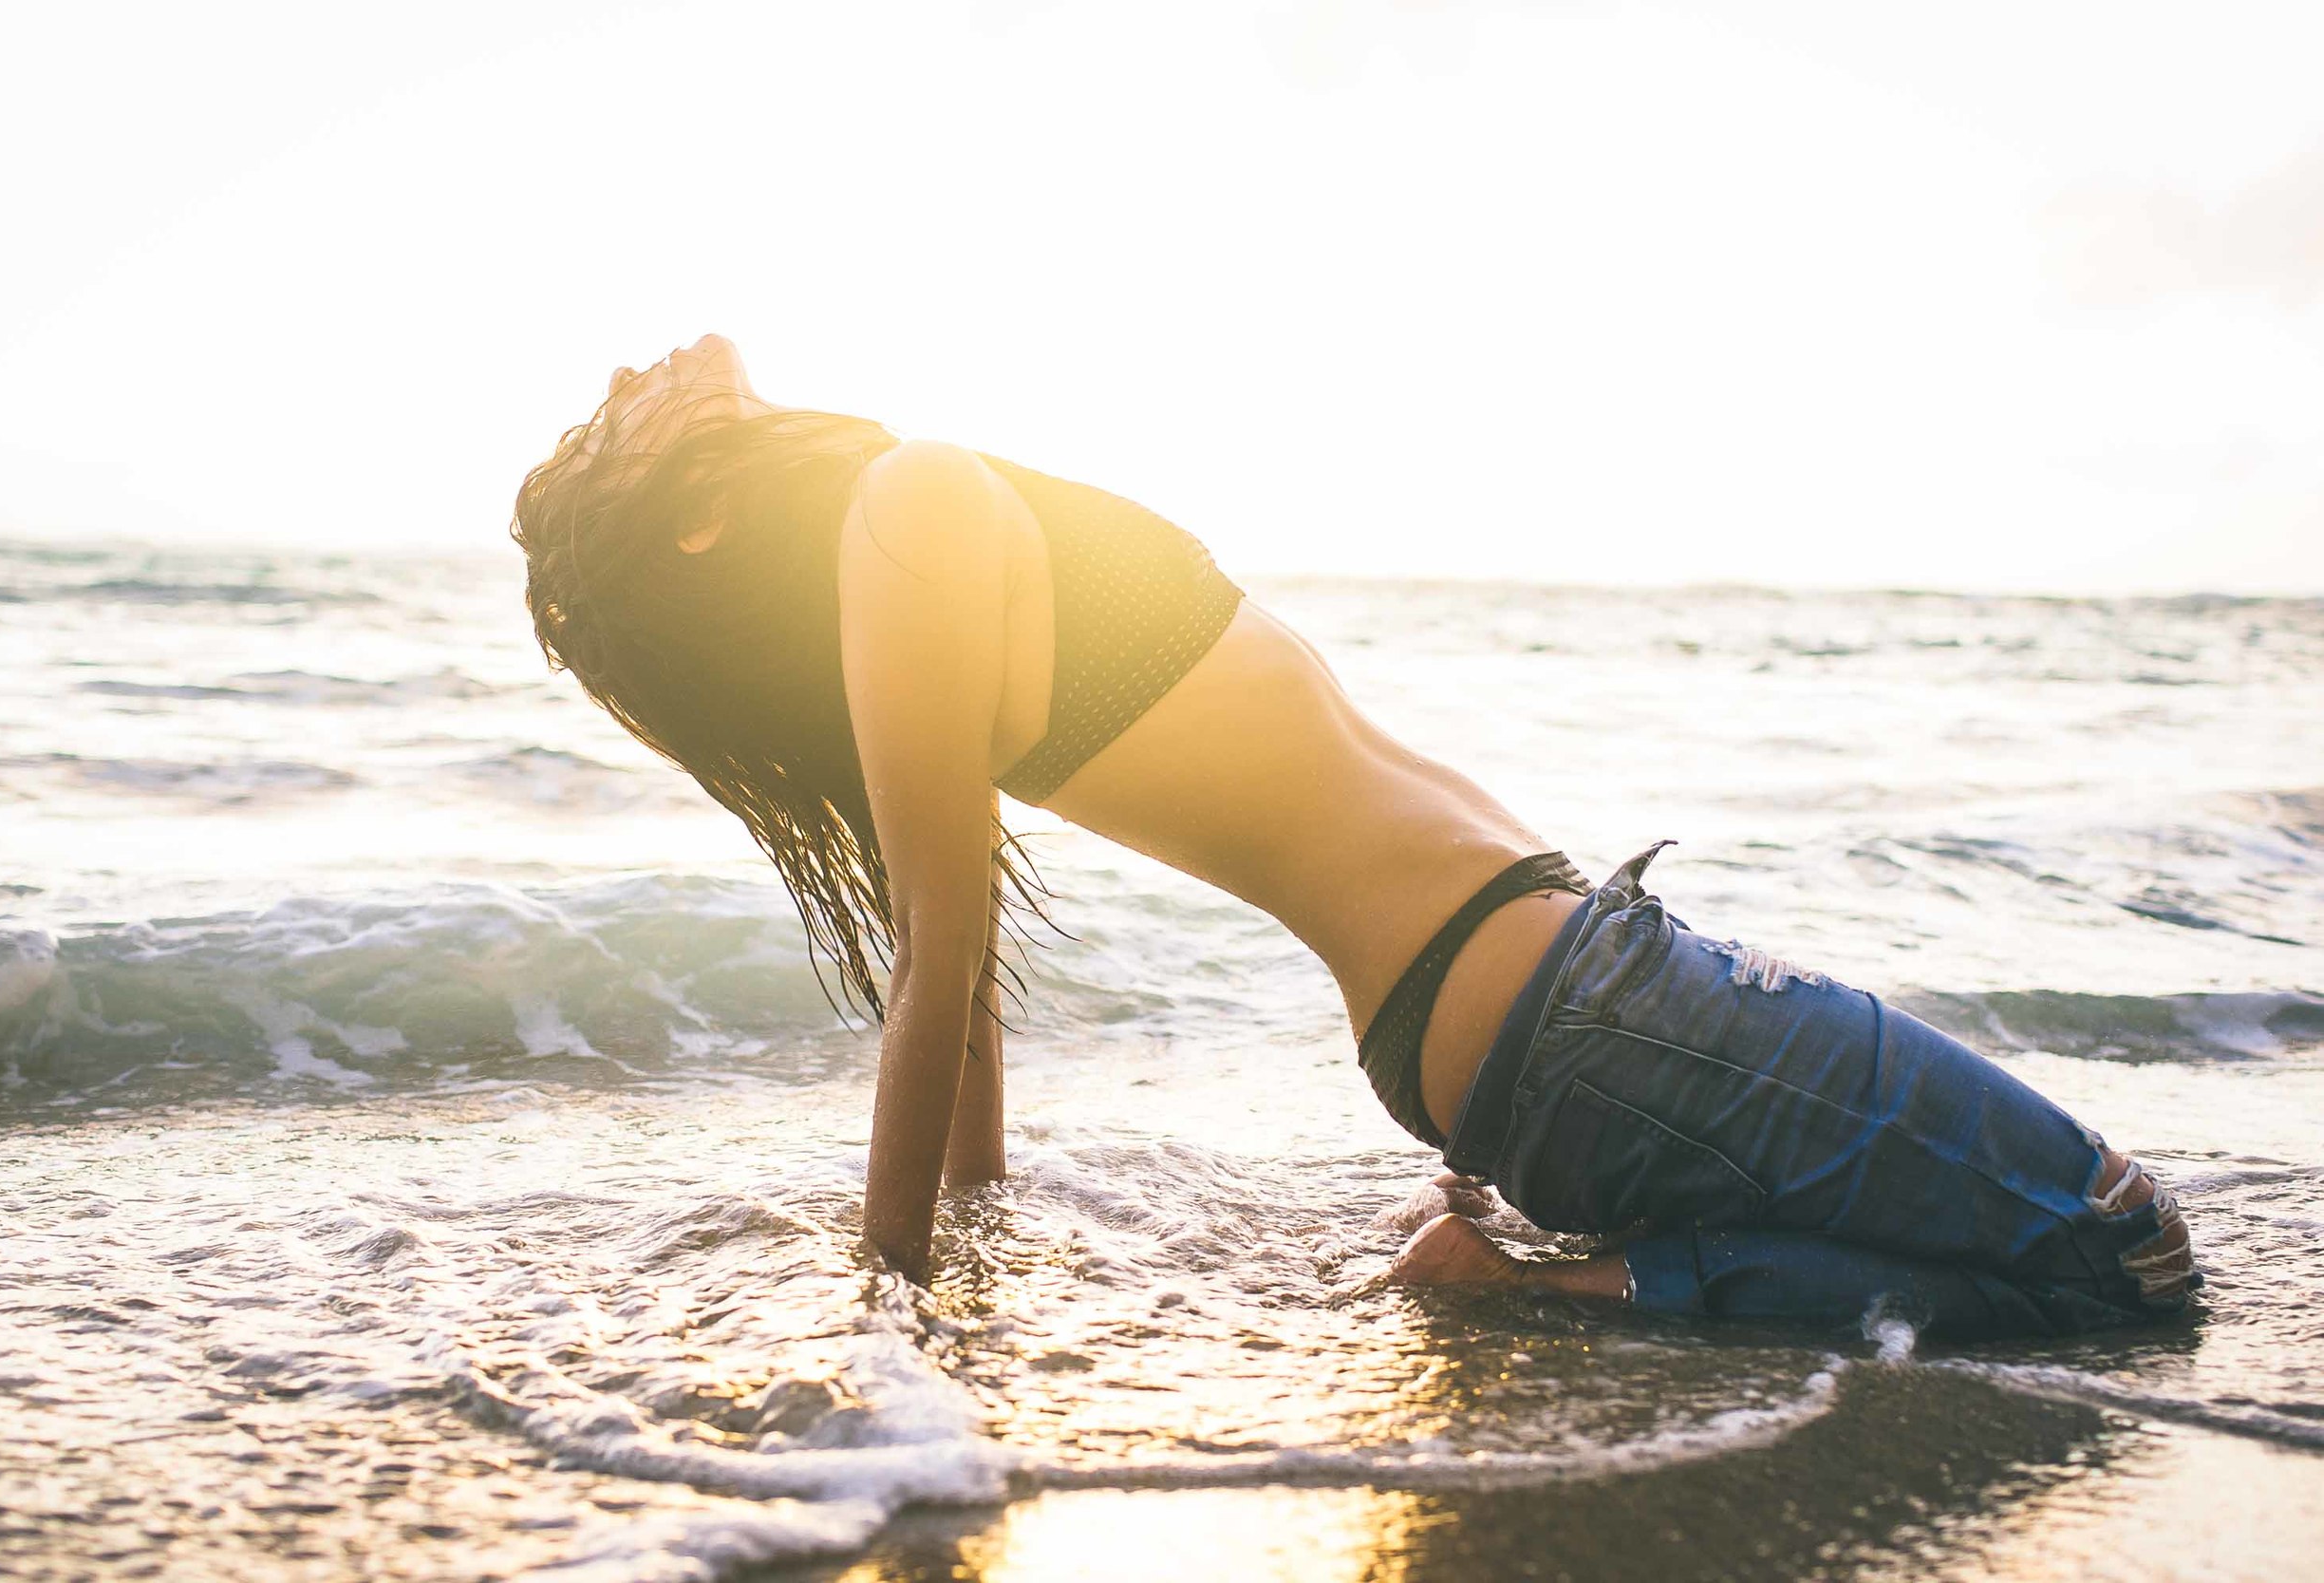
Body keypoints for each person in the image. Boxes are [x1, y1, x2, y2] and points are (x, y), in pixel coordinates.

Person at [509, 333, 2196, 1338]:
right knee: (2127, 1246)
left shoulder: (901, 549)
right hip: (1568, 1012)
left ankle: (1549, 1283)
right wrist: (901, 1304)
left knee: (2081, 1264)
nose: (624, 375)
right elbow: (939, 970)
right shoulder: (909, 507)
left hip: (1540, 1018)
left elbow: (965, 979)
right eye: (605, 435)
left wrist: (979, 1222)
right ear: (705, 518)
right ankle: (1536, 1295)